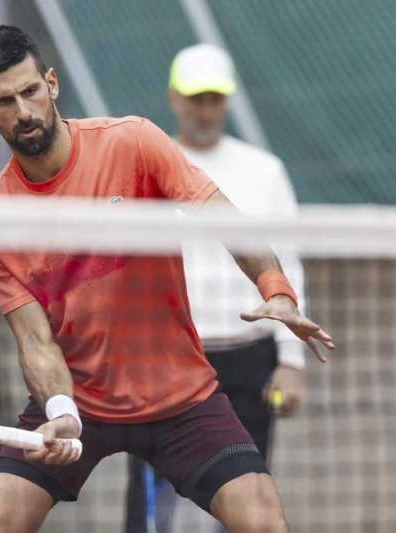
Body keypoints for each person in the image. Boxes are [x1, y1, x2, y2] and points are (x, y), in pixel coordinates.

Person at [0, 25, 333, 533]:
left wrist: (277, 289)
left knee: (265, 522)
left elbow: (227, 221)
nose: (23, 112)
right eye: (4, 101)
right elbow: (34, 339)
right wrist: (62, 410)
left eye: (30, 91)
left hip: (181, 398)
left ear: (51, 83)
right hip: (80, 401)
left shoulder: (133, 142)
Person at [125, 43, 308, 533]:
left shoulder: (264, 170)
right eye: (195, 97)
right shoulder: (144, 162)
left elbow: (286, 261)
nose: (205, 108)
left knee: (247, 503)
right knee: (150, 507)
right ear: (173, 98)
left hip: (249, 360)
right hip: (164, 362)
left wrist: (291, 361)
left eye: (214, 97)